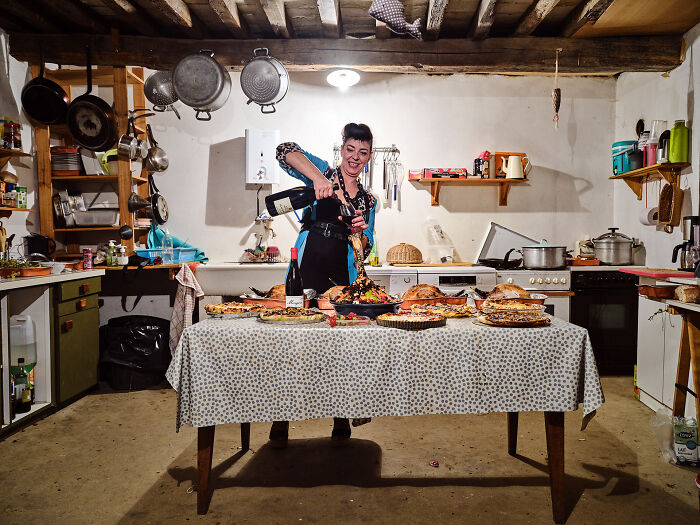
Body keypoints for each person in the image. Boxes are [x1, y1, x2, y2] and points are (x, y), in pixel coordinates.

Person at [269, 122, 377, 448]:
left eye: (363, 152)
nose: (355, 157)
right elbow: (285, 151)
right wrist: (317, 178)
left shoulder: (368, 200)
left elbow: (368, 247)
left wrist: (361, 229)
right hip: (307, 267)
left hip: (342, 276)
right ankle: (281, 418)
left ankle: (341, 416)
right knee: (294, 344)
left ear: (369, 157)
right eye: (350, 149)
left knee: (339, 348)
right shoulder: (325, 172)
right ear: (341, 148)